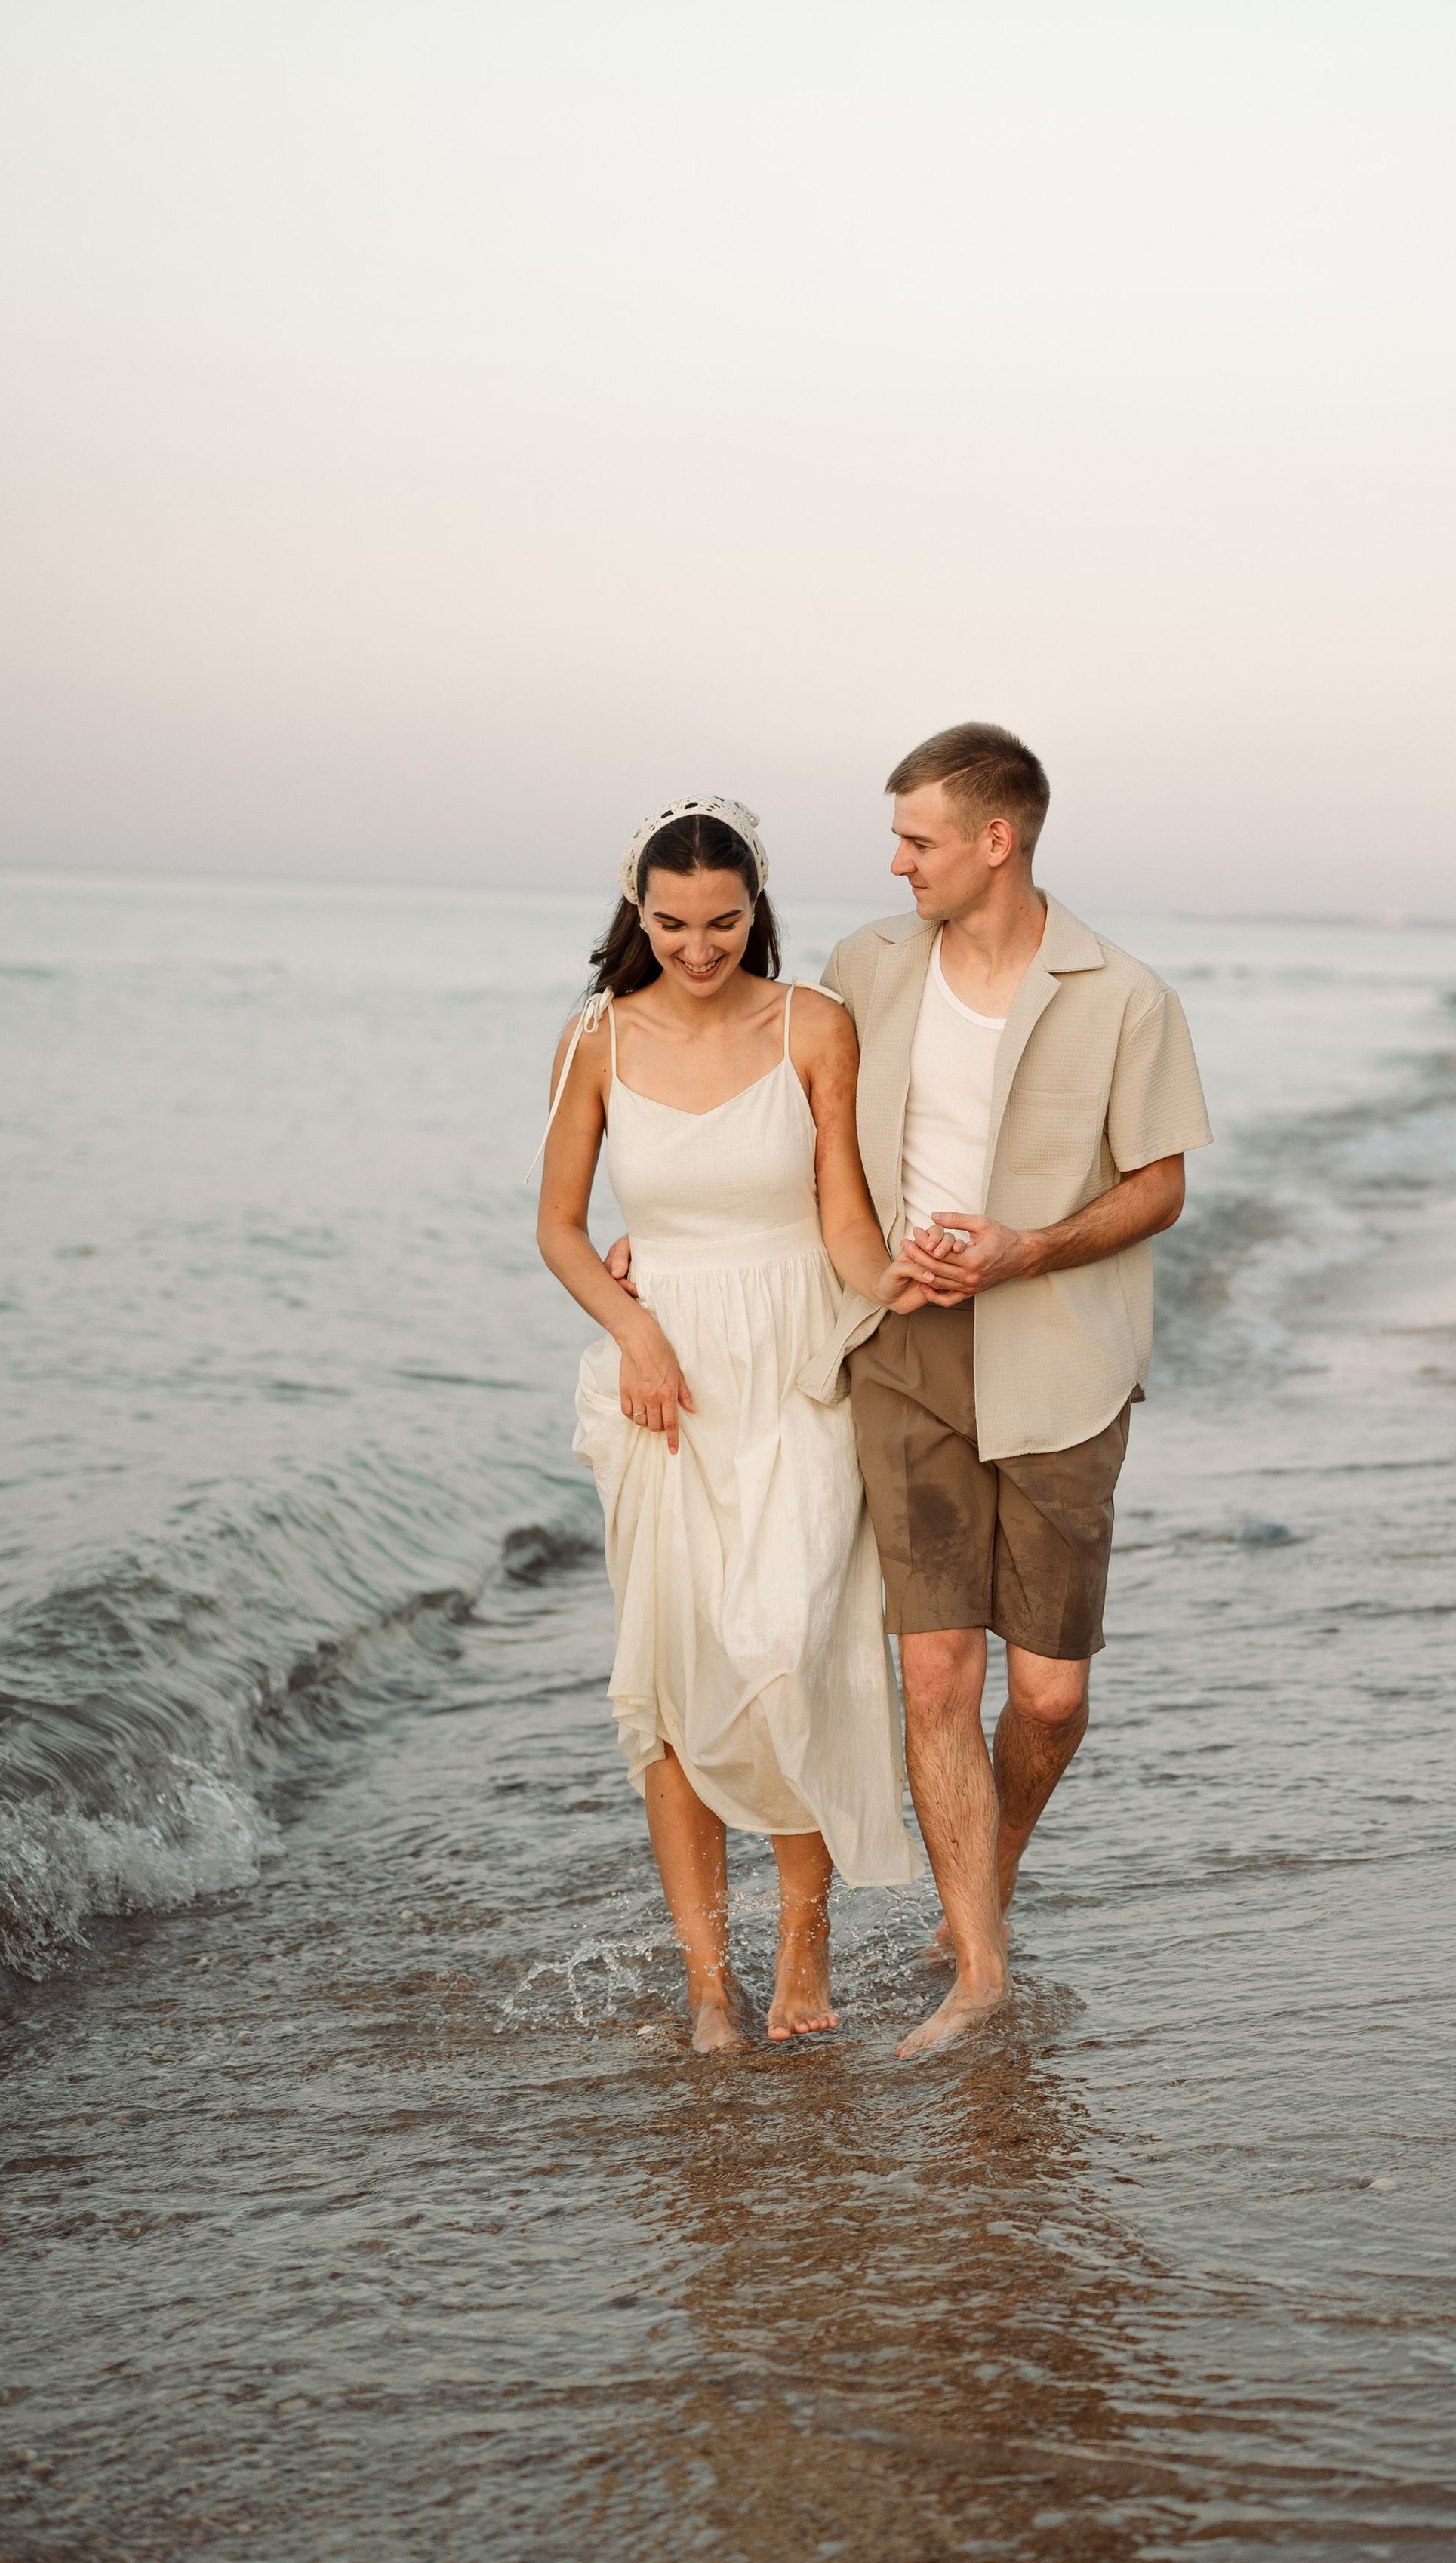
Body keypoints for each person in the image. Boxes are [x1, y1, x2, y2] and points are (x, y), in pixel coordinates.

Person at [802, 723, 1212, 2059]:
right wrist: (659, 1240)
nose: (896, 860)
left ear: (998, 840)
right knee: (937, 1674)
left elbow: (1162, 1184)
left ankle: (992, 1868)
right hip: (904, 1348)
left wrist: (1027, 1248)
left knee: (1046, 1699)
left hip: (1064, 1361)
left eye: (918, 837)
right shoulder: (864, 968)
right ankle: (977, 1968)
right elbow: (795, 1130)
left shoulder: (1122, 993)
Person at [533, 798, 927, 2056]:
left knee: (789, 1650)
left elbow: (848, 1221)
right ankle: (711, 1985)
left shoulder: (815, 1025)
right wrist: (639, 1332)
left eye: (721, 921)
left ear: (755, 907)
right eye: (670, 923)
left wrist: (913, 1281)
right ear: (633, 913)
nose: (697, 948)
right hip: (663, 1387)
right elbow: (557, 1228)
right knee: (669, 1680)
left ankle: (801, 1951)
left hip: (795, 1369)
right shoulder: (596, 1037)